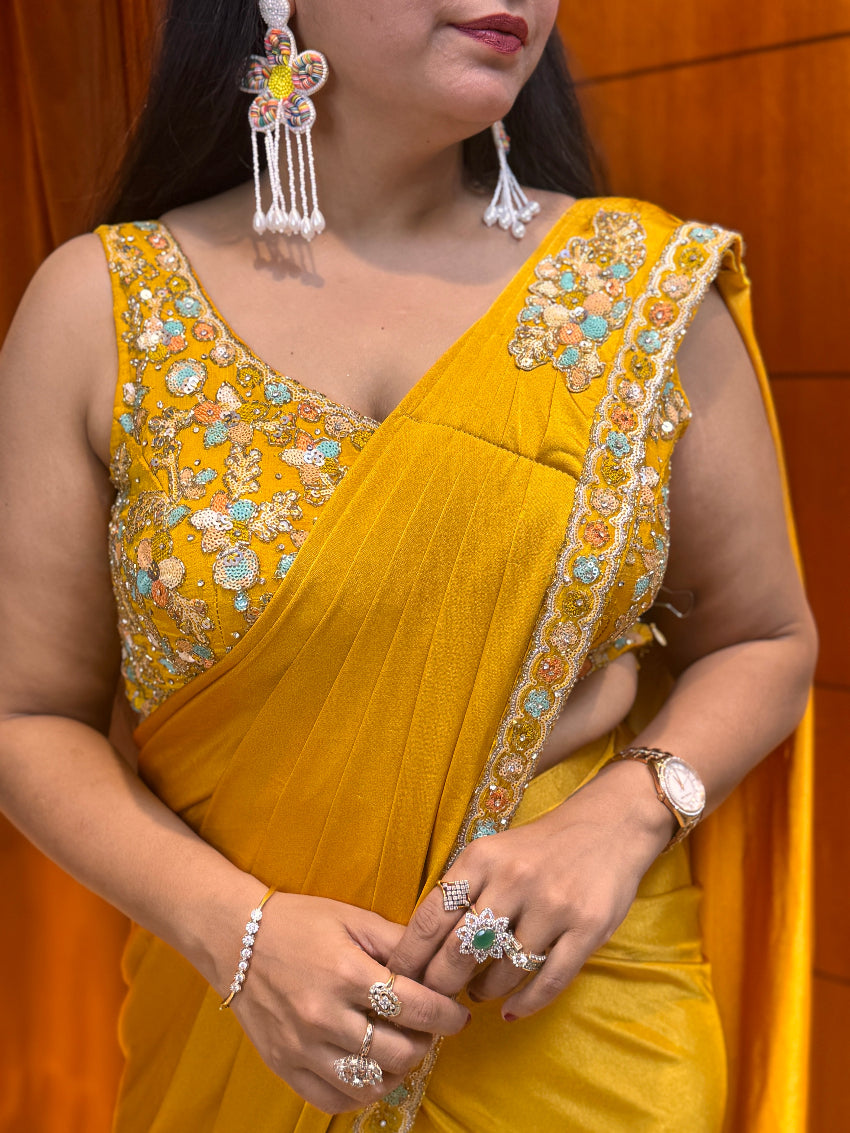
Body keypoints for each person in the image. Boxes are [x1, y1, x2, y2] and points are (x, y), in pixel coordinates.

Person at [0, 1, 816, 1130]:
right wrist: (238, 935)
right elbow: (29, 715)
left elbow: (765, 639)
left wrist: (625, 816)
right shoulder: (100, 309)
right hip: (242, 1047)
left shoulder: (639, 287)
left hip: (583, 1048)